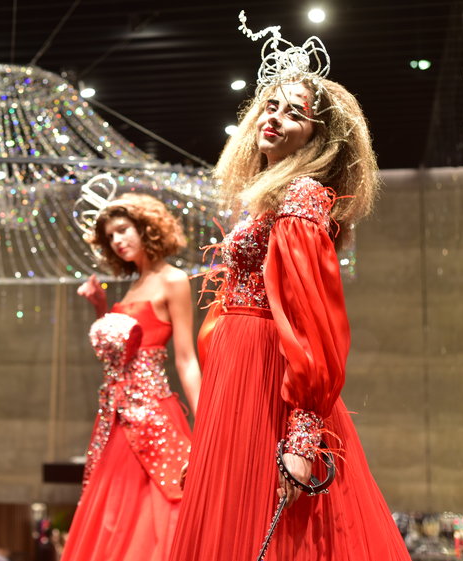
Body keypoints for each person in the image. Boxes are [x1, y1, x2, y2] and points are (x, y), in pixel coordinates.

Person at [167, 14, 411, 561]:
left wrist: (302, 436)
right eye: (271, 106)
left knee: (271, 524)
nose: (276, 118)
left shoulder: (302, 196)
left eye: (295, 113)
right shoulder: (266, 197)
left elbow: (312, 322)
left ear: (317, 137)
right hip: (235, 367)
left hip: (265, 371)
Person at [61, 189, 201, 561]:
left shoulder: (173, 280)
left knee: (158, 508)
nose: (118, 240)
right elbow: (118, 356)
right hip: (116, 417)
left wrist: (206, 425)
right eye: (111, 236)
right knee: (113, 516)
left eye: (124, 229)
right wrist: (101, 308)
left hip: (153, 414)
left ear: (146, 227)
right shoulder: (134, 286)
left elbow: (186, 359)